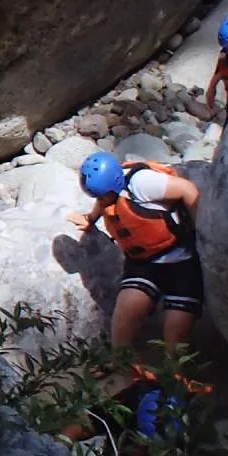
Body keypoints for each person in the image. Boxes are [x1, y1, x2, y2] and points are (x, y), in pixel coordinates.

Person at [66, 151, 204, 353]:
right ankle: (122, 365)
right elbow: (103, 202)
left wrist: (202, 232)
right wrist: (91, 219)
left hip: (182, 260)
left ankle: (178, 377)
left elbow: (187, 189)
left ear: (114, 185)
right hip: (144, 263)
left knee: (176, 336)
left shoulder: (142, 183)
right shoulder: (109, 192)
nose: (101, 200)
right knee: (127, 311)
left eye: (103, 196)